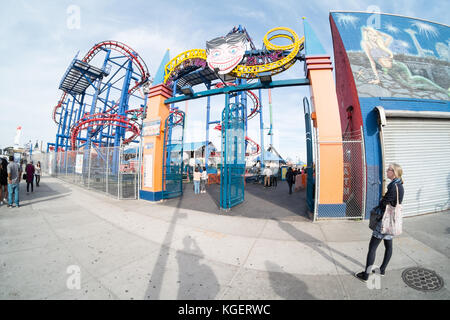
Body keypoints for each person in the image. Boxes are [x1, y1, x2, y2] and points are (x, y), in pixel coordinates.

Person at [355, 163, 404, 282]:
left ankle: (366, 276)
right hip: (391, 223)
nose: (386, 171)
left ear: (394, 172)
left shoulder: (393, 187)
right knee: (388, 246)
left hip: (384, 222)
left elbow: (384, 204)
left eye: (389, 170)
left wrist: (382, 200)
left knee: (372, 248)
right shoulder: (400, 186)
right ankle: (382, 270)